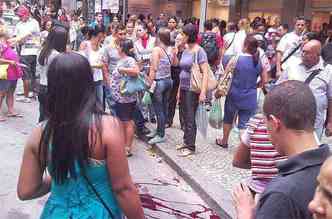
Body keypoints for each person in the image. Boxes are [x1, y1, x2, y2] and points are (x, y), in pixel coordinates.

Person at [17, 52, 145, 219]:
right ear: (88, 83)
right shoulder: (107, 127)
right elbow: (123, 188)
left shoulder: (40, 133)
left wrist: (60, 175)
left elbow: (26, 190)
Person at [232, 80, 331, 219]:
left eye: (266, 127)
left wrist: (245, 214)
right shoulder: (328, 168)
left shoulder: (281, 195)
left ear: (274, 123)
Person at [216, 34, 267, 148]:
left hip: (234, 94)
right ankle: (245, 148)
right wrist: (255, 86)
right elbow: (265, 80)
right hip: (250, 96)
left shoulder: (237, 58)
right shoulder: (259, 61)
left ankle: (224, 141)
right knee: (244, 125)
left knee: (228, 118)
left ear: (245, 45)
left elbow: (225, 75)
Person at [277, 40, 332, 139]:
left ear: (317, 54)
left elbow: (331, 99)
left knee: (310, 152)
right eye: (303, 51)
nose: (303, 55)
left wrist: (330, 122)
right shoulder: (292, 67)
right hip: (290, 121)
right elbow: (278, 90)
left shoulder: (328, 71)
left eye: (307, 53)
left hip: (314, 125)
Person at [233, 113, 286, 195]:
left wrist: (260, 166)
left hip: (256, 191)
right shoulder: (301, 129)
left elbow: (237, 161)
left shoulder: (257, 123)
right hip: (284, 191)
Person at [177, 23, 208, 157]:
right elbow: (182, 70)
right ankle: (185, 141)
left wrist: (203, 92)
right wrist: (178, 90)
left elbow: (205, 72)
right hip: (183, 87)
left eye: (183, 34)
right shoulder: (184, 50)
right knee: (184, 115)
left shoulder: (199, 51)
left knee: (190, 117)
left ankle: (191, 146)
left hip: (192, 88)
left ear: (189, 36)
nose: (180, 36)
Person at [110, 39, 140, 157]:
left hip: (126, 98)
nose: (117, 49)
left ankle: (127, 148)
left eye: (118, 47)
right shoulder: (122, 60)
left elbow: (136, 71)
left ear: (123, 49)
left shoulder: (129, 60)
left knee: (127, 122)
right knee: (124, 121)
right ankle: (124, 145)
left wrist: (121, 70)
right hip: (120, 97)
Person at [146, 28, 175, 144]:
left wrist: (148, 83)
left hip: (159, 82)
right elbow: (174, 63)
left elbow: (154, 68)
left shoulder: (157, 50)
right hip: (169, 81)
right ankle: (159, 130)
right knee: (163, 108)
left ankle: (161, 134)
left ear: (159, 37)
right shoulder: (171, 49)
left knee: (159, 110)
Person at [36, 26, 68, 122]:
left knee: (43, 116)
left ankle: (40, 135)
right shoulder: (56, 55)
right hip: (52, 88)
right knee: (51, 118)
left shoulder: (43, 51)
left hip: (42, 86)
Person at [12, 5, 41, 103]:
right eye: (19, 16)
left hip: (31, 51)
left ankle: (26, 96)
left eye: (22, 16)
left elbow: (26, 35)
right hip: (23, 51)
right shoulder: (19, 24)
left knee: (27, 75)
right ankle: (30, 92)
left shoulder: (34, 23)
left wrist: (16, 40)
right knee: (30, 73)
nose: (20, 17)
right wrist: (16, 40)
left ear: (27, 15)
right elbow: (16, 36)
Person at [0, 25, 23, 121]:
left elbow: (18, 38)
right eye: (8, 31)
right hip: (6, 71)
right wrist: (10, 62)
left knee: (11, 92)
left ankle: (11, 110)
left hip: (13, 71)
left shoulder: (7, 42)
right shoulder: (1, 44)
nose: (10, 33)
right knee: (2, 93)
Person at [102, 24, 126, 111]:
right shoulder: (108, 48)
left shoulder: (128, 46)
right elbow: (104, 64)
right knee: (113, 105)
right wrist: (108, 80)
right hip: (113, 79)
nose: (123, 36)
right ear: (115, 35)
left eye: (124, 34)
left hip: (126, 80)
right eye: (120, 34)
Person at [79, 26, 105, 106]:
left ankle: (99, 117)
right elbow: (80, 60)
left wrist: (93, 66)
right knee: (87, 103)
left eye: (102, 37)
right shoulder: (86, 45)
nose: (101, 39)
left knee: (99, 101)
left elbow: (102, 64)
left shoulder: (102, 48)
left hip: (98, 79)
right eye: (99, 37)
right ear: (93, 36)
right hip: (88, 79)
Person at [167, 31, 186, 128]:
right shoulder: (173, 50)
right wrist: (175, 52)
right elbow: (172, 64)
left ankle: (183, 123)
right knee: (171, 99)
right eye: (176, 39)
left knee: (182, 101)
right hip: (173, 77)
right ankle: (169, 120)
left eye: (180, 39)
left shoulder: (187, 51)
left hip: (183, 78)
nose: (178, 41)